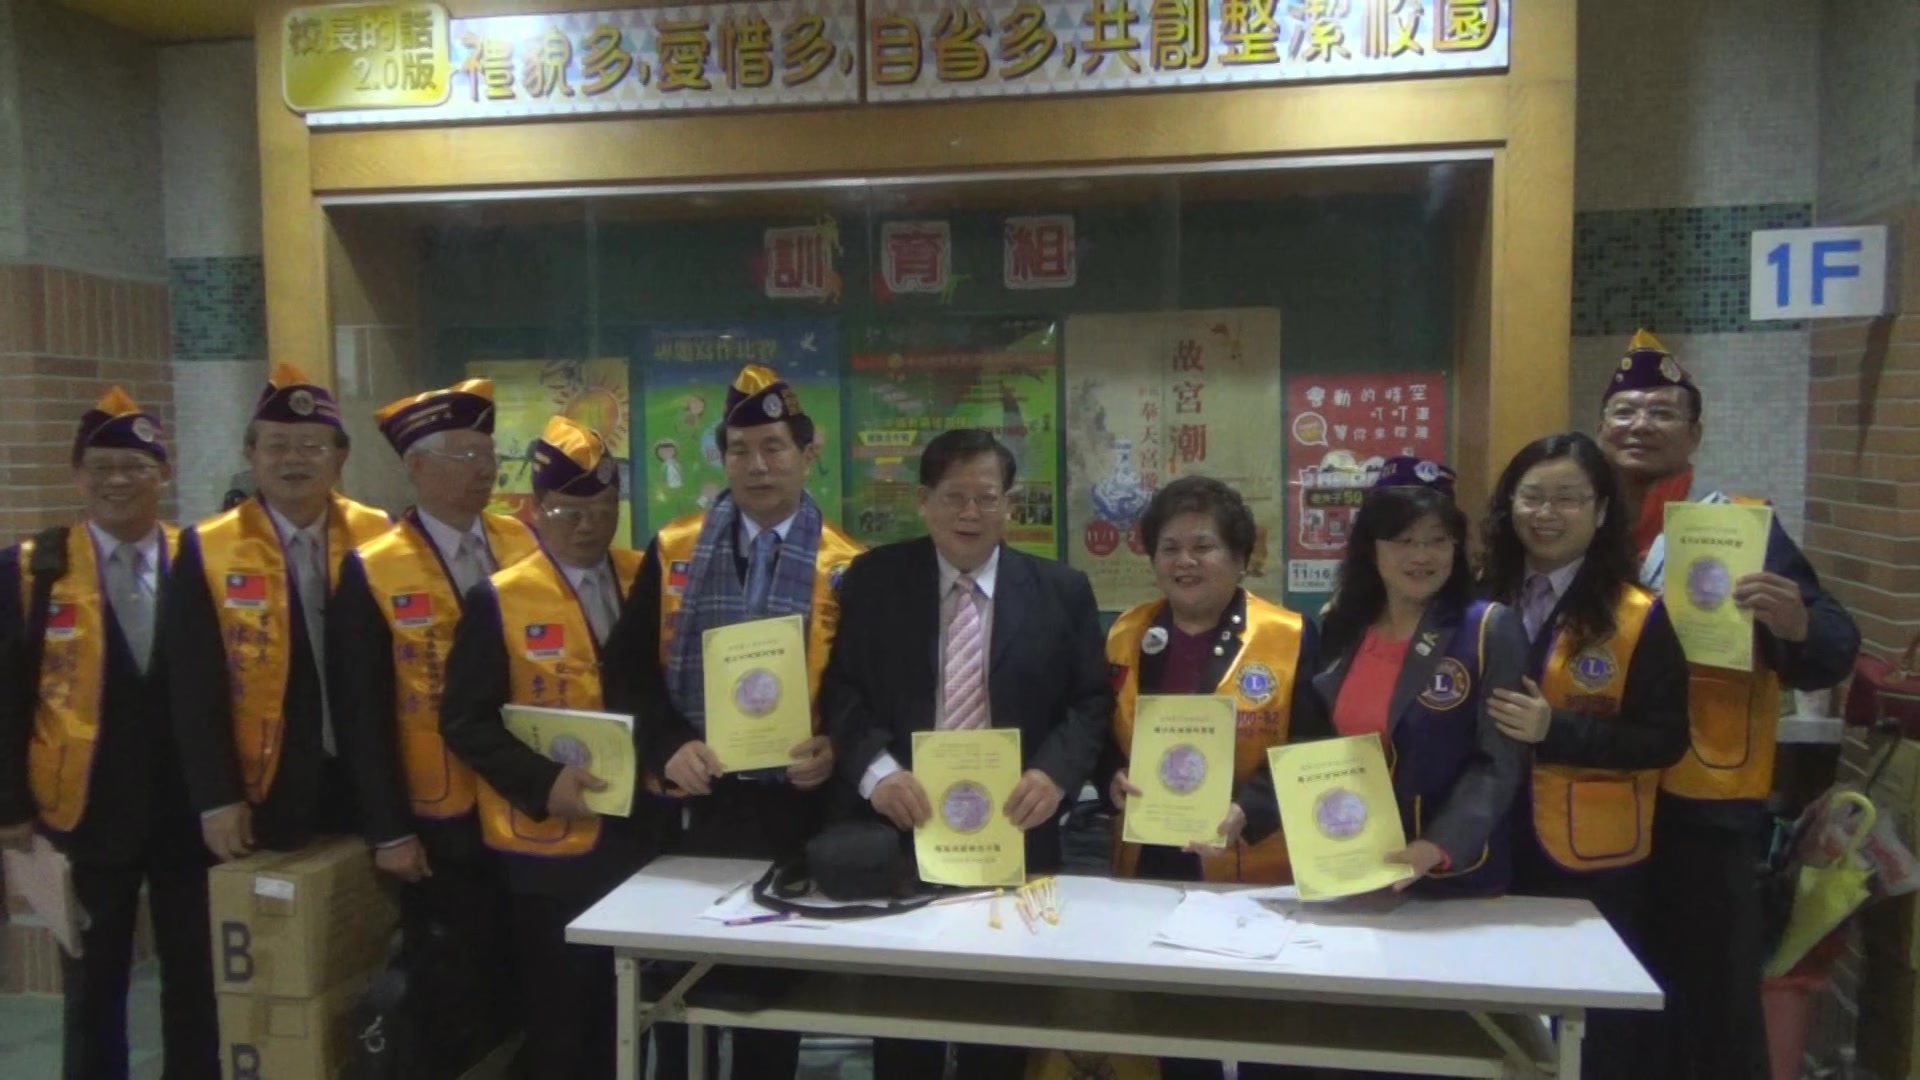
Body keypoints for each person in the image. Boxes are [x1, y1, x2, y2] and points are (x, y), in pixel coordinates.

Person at [1595, 330, 1859, 1079]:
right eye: (1624, 411)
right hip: (1591, 797)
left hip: (1702, 804)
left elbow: (1833, 645)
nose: (1640, 425)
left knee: (1709, 1004)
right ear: (1600, 428)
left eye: (1661, 412)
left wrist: (1796, 623)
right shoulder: (1571, 524)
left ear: (1695, 433)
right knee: (1601, 998)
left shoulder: (1741, 525)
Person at [822, 427, 1113, 1080]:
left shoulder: (1062, 590)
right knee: (904, 1037)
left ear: (1010, 503)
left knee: (1002, 1035)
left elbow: (1090, 702)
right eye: (954, 496)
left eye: (987, 497)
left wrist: (1055, 774)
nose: (970, 513)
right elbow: (841, 690)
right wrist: (877, 774)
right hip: (902, 836)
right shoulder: (874, 580)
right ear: (923, 501)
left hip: (1016, 836)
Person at [609, 363, 863, 1080]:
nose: (757, 466)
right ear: (721, 458)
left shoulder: (847, 566)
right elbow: (626, 670)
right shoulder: (675, 548)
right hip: (692, 804)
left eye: (774, 447)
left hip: (792, 811)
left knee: (766, 1008)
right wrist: (668, 745)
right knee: (672, 1000)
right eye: (740, 449)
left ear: (807, 454)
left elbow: (862, 692)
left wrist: (834, 746)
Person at [0, 389, 218, 1080]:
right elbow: (6, 696)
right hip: (83, 811)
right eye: (100, 467)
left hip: (188, 811)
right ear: (77, 475)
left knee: (197, 976)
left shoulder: (200, 559)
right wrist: (10, 806)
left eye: (135, 467)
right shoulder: (34, 568)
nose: (117, 480)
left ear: (163, 475)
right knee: (93, 986)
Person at [328, 379, 540, 1074]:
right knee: (454, 976)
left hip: (525, 800)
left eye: (488, 456)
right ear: (416, 467)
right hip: (437, 814)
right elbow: (360, 713)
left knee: (522, 969)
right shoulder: (374, 567)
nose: (482, 470)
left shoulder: (521, 541)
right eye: (463, 456)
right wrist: (388, 830)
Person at [441, 415, 654, 1080]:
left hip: (638, 833)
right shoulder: (500, 599)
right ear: (535, 508)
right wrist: (541, 783)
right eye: (568, 511)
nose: (587, 526)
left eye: (603, 508)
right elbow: (465, 721)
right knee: (561, 1021)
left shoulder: (643, 578)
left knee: (632, 1013)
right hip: (549, 847)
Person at [1481, 431, 1690, 1080]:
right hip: (1486, 844)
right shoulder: (1477, 599)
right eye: (1532, 496)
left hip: (1590, 861)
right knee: (1492, 1021)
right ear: (1509, 506)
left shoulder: (1638, 615)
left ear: (1600, 512)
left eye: (1568, 498)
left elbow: (1664, 740)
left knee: (1590, 1035)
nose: (1547, 513)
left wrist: (1556, 730)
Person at [1101, 475, 1322, 1080]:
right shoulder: (1126, 634)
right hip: (1151, 859)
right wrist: (1109, 776)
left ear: (1241, 557)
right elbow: (1099, 733)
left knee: (1266, 1033)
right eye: (1169, 548)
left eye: (1204, 546)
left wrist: (1251, 807)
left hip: (1250, 861)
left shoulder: (1289, 636)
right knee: (1173, 1027)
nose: (1185, 562)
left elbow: (1311, 746)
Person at [1257, 457, 1529, 896]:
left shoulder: (1488, 628)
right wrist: (1248, 810)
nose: (1421, 556)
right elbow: (1316, 744)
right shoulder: (1343, 624)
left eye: (1437, 540)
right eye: (1404, 541)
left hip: (1450, 876)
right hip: (1352, 863)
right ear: (1372, 548)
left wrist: (1437, 845)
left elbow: (1499, 762)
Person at [169, 362, 392, 859]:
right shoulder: (208, 548)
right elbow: (193, 689)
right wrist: (217, 798)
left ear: (341, 457)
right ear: (251, 454)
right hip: (265, 784)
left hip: (374, 778)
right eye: (277, 446)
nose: (294, 459)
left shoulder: (383, 536)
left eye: (311, 446)